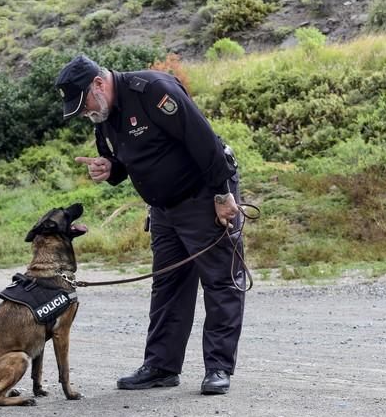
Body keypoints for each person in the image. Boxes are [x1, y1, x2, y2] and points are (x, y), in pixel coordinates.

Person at [55, 55, 246, 395]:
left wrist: (221, 194)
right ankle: (161, 366)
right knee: (167, 285)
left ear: (99, 83)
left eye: (83, 104)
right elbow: (126, 161)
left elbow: (202, 140)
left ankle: (218, 367)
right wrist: (109, 170)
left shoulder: (153, 90)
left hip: (203, 196)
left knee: (220, 281)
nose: (85, 113)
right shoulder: (105, 113)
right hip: (163, 209)